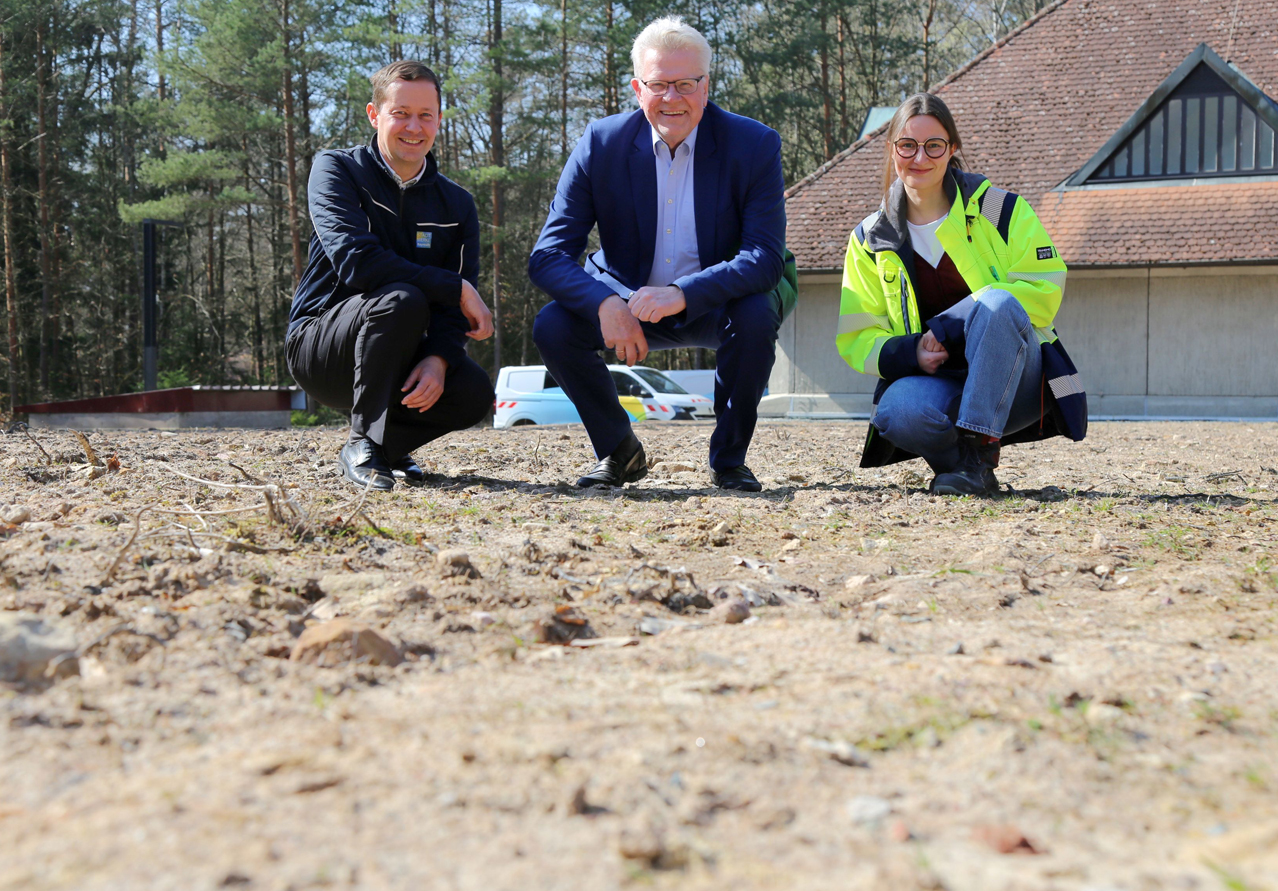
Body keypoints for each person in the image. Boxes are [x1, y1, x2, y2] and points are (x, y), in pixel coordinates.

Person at [528, 16, 786, 492]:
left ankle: (729, 460)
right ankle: (619, 451)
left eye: (686, 84)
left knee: (755, 314)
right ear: (637, 88)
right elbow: (547, 255)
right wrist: (604, 305)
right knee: (553, 325)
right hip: (625, 303)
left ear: (706, 86)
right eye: (659, 84)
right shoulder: (600, 144)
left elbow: (765, 257)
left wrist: (682, 294)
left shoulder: (754, 145)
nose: (672, 98)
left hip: (713, 302)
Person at [837, 92, 1086, 495]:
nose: (919, 157)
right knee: (898, 411)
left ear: (952, 149)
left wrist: (952, 323)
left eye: (934, 145)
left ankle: (979, 450)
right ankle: (969, 470)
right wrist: (913, 351)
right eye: (907, 145)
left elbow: (1044, 288)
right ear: (891, 149)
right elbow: (856, 337)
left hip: (1018, 379)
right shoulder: (870, 239)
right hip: (939, 383)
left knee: (999, 302)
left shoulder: (1000, 210)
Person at [287, 60, 495, 491]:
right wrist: (454, 287)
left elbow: (452, 315)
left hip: (400, 356)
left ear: (439, 119)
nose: (414, 127)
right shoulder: (336, 170)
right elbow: (357, 263)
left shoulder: (457, 205)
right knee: (403, 298)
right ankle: (363, 439)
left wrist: (438, 358)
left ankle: (384, 447)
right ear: (374, 114)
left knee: (473, 390)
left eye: (426, 115)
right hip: (323, 346)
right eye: (401, 113)